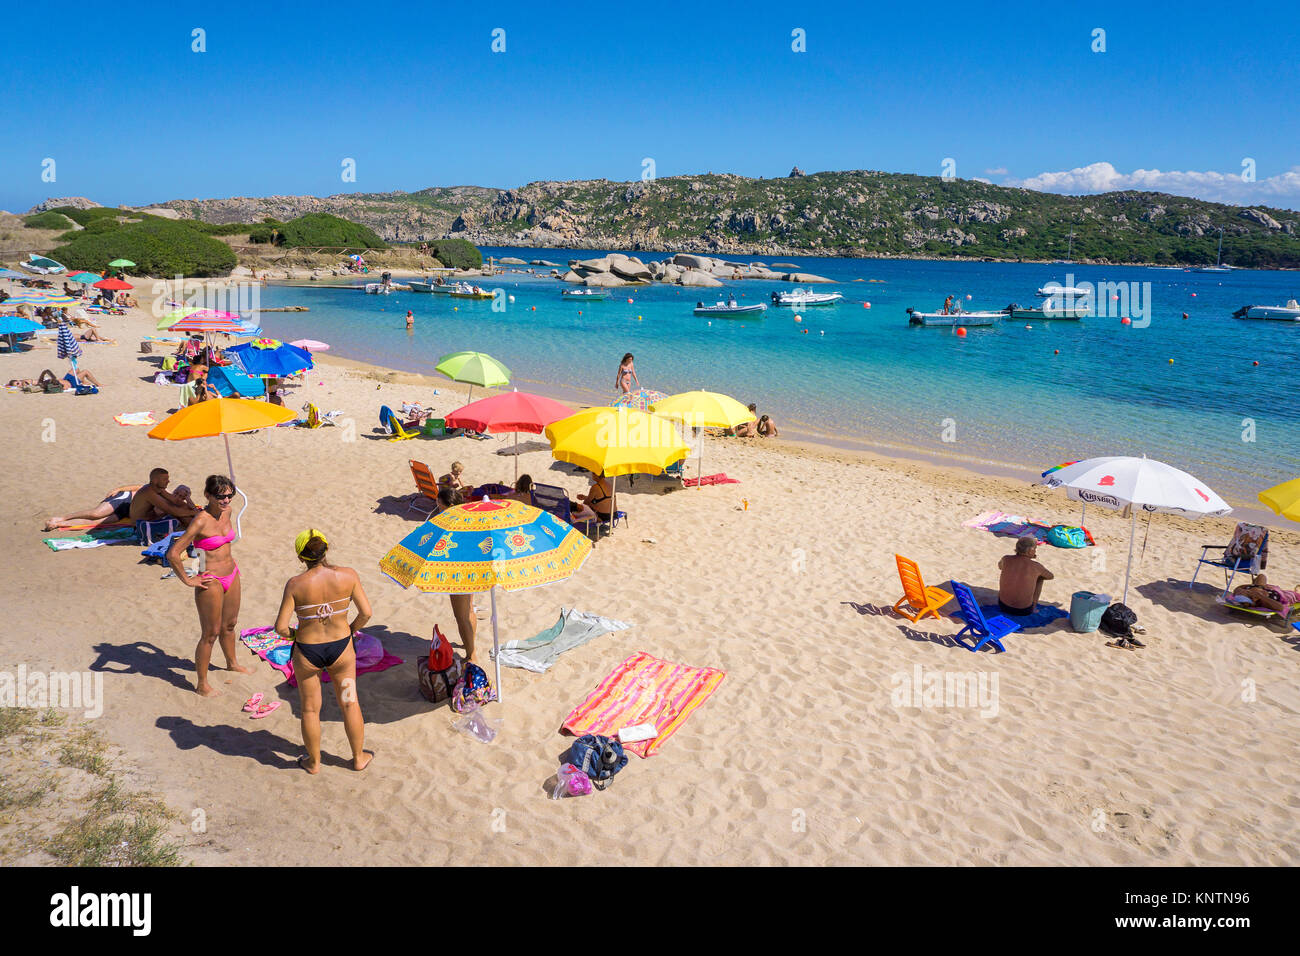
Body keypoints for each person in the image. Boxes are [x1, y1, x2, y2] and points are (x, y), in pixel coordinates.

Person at [273, 530, 374, 774]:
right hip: (341, 648)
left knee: (309, 709)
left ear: (301, 558)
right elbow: (366, 613)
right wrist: (350, 630)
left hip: (308, 652)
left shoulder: (295, 584)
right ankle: (358, 758)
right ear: (326, 550)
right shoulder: (348, 576)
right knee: (350, 703)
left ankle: (314, 762)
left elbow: (281, 628)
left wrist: (295, 637)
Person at [167, 475, 253, 696]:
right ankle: (202, 683)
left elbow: (224, 542)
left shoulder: (228, 512)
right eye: (220, 496)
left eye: (229, 496)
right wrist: (188, 579)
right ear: (207, 495)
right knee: (210, 633)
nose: (225, 500)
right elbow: (173, 553)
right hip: (210, 580)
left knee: (230, 625)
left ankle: (231, 662)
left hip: (232, 573)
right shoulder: (200, 520)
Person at [435, 488, 480, 664]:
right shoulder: (469, 518)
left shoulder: (452, 524)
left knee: (461, 616)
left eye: (440, 506)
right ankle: (470, 644)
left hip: (459, 572)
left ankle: (471, 653)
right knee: (469, 609)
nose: (438, 509)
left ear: (451, 506)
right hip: (474, 569)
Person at [44, 483, 143, 530]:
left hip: (127, 512)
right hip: (126, 498)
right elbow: (139, 487)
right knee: (95, 514)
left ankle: (58, 524)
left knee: (96, 523)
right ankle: (61, 518)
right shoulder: (156, 488)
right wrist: (118, 489)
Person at [997, 536, 1054, 616]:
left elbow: (1000, 567)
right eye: (1035, 549)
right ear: (1030, 550)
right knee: (1040, 578)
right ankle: (1033, 606)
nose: (1035, 551)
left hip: (1003, 605)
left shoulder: (1006, 559)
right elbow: (1050, 576)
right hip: (1024, 610)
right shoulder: (1036, 566)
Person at [129, 467, 199, 525]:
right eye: (165, 479)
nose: (168, 481)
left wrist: (189, 502)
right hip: (140, 524)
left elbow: (175, 501)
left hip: (150, 519)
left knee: (181, 510)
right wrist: (194, 512)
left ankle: (197, 524)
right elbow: (173, 511)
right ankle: (198, 527)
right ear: (155, 480)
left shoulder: (157, 488)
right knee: (180, 515)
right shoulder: (149, 492)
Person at [1230, 575, 1300, 617]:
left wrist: (1253, 586)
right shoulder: (1263, 601)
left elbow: (1237, 589)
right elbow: (1281, 608)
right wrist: (1261, 596)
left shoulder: (1244, 591)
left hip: (1266, 588)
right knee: (1294, 594)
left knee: (1261, 576)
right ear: (1254, 600)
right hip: (1283, 595)